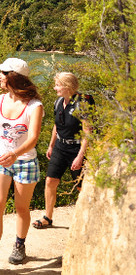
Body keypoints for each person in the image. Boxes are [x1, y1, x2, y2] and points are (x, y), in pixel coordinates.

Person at [0, 58, 44, 274]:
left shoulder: (34, 106)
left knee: (21, 208)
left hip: (25, 162)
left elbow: (33, 138)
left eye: (3, 73)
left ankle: (19, 245)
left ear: (14, 77)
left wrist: (15, 154)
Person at [33, 72, 94, 229]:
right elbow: (57, 124)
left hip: (77, 148)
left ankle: (87, 219)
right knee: (50, 181)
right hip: (60, 147)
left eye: (58, 85)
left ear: (67, 86)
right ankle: (48, 217)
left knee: (81, 186)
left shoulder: (84, 103)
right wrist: (51, 145)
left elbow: (88, 132)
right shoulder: (59, 101)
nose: (55, 88)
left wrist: (80, 156)